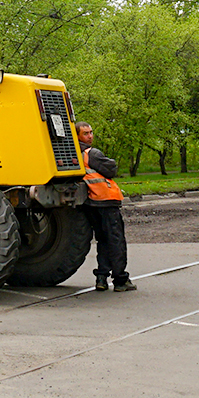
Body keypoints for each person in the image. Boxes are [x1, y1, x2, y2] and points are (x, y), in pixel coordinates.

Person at [76, 122, 132, 292]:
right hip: (105, 201)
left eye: (91, 132)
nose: (90, 136)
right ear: (77, 135)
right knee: (115, 241)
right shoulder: (91, 153)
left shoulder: (73, 153)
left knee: (103, 241)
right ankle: (120, 280)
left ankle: (101, 278)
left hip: (91, 203)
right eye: (85, 133)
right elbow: (111, 169)